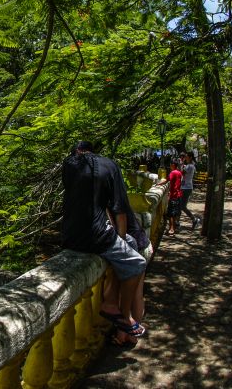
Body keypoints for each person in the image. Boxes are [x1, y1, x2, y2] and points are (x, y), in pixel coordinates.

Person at [62, 140, 147, 345]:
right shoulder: (109, 165)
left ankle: (111, 302)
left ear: (77, 152)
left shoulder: (68, 165)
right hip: (96, 236)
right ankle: (123, 315)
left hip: (69, 236)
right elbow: (118, 209)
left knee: (129, 247)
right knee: (136, 263)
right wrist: (120, 239)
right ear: (94, 151)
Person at [162, 160, 183, 235]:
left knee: (171, 213)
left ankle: (171, 228)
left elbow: (167, 180)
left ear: (173, 165)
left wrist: (158, 184)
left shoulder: (173, 172)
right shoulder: (179, 173)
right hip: (179, 194)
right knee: (176, 212)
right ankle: (176, 227)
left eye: (170, 164)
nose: (170, 166)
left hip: (173, 195)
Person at [179, 152, 200, 229]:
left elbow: (181, 173)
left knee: (182, 206)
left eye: (186, 156)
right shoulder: (189, 165)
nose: (185, 158)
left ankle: (194, 219)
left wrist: (181, 164)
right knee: (181, 205)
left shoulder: (189, 166)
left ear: (190, 157)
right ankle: (177, 222)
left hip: (186, 188)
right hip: (185, 187)